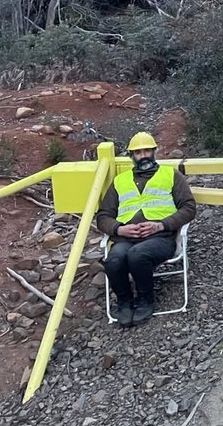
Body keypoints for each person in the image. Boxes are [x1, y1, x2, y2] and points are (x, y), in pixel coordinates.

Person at [95, 132, 197, 326]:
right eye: (138, 152)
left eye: (147, 150)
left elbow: (189, 208)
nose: (143, 155)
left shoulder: (171, 175)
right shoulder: (119, 181)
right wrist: (119, 229)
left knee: (137, 255)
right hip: (126, 238)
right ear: (131, 156)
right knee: (114, 260)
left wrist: (161, 225)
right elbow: (103, 217)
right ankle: (124, 302)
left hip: (161, 237)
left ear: (154, 152)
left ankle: (145, 300)